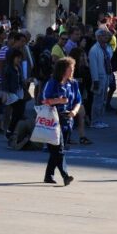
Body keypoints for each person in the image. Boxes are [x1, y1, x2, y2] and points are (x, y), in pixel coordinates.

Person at [42, 57, 80, 186]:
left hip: (67, 119)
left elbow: (78, 101)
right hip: (53, 118)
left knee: (55, 149)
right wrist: (59, 100)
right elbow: (44, 100)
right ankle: (65, 175)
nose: (73, 70)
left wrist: (74, 111)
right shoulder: (53, 82)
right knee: (59, 148)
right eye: (71, 68)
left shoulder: (73, 83)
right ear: (63, 70)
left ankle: (49, 175)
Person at [88, 29, 113, 129]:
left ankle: (100, 120)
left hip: (106, 75)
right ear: (98, 37)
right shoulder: (94, 49)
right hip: (99, 77)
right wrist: (95, 80)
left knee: (103, 100)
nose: (106, 37)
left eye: (106, 35)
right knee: (97, 100)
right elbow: (93, 66)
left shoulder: (107, 48)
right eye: (103, 35)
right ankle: (94, 121)